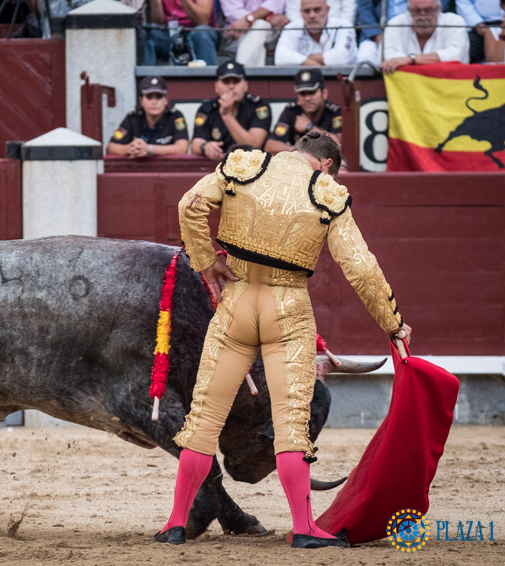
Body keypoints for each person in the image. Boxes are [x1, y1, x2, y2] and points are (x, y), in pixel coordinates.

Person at [155, 131, 411, 548]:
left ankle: (175, 525)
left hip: (235, 301)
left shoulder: (244, 166)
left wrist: (205, 263)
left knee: (202, 419)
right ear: (326, 164)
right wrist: (393, 324)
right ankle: (305, 529)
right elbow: (361, 268)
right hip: (287, 309)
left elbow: (189, 205)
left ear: (297, 152)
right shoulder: (327, 192)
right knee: (292, 423)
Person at [191, 61, 271, 161]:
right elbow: (195, 144)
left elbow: (254, 145)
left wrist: (227, 116)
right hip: (217, 166)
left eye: (236, 81)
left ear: (245, 85)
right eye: (226, 82)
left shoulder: (258, 106)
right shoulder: (207, 108)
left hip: (252, 166)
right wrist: (205, 147)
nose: (231, 87)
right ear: (216, 86)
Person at [106, 76, 190, 157]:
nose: (154, 102)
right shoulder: (133, 118)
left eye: (158, 97)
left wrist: (149, 149)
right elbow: (111, 147)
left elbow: (182, 148)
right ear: (141, 101)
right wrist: (130, 149)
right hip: (138, 169)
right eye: (149, 97)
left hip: (169, 169)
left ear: (166, 100)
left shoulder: (175, 116)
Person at [265, 69, 342, 155]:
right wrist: (298, 152)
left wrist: (309, 127)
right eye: (302, 94)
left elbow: (338, 145)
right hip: (299, 163)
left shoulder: (333, 111)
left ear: (324, 93)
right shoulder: (291, 111)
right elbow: (270, 145)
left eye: (312, 93)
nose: (307, 98)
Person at [380, 0, 469, 73]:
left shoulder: (455, 22)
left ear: (439, 9)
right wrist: (430, 61)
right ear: (408, 10)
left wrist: (411, 59)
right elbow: (386, 56)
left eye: (428, 10)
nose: (423, 17)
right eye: (416, 11)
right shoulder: (395, 23)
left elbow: (455, 55)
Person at [274, 0, 357, 66]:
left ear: (327, 10)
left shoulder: (344, 25)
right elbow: (280, 58)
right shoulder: (292, 27)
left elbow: (341, 57)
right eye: (307, 11)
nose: (312, 15)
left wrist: (303, 59)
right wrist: (310, 62)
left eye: (317, 10)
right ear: (301, 12)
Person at [139, 0, 220, 66]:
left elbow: (203, 21)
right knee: (147, 33)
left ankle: (209, 83)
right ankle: (147, 82)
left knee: (201, 33)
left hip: (197, 34)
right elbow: (157, 21)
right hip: (169, 34)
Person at [219, 0, 288, 67]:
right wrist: (268, 19)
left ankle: (241, 71)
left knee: (260, 26)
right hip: (237, 35)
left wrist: (250, 19)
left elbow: (275, 3)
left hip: (272, 33)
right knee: (259, 35)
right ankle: (247, 74)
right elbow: (234, 15)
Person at [355, 0, 408, 65]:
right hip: (375, 34)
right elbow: (364, 11)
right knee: (365, 58)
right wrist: (376, 35)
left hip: (409, 32)